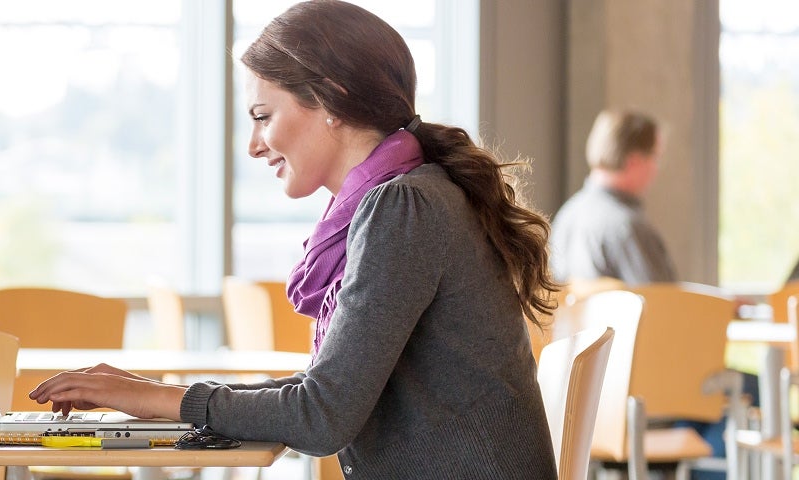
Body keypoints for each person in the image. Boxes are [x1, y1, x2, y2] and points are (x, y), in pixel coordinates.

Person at [28, 1, 560, 477]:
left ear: (334, 99)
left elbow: (322, 417)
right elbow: (322, 394)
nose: (255, 146)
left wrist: (159, 397)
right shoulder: (412, 198)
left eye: (264, 117)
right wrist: (151, 395)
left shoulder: (404, 209)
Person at [549, 109, 676, 285]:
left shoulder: (566, 215)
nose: (657, 168)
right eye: (655, 156)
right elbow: (664, 305)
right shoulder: (627, 227)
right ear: (635, 160)